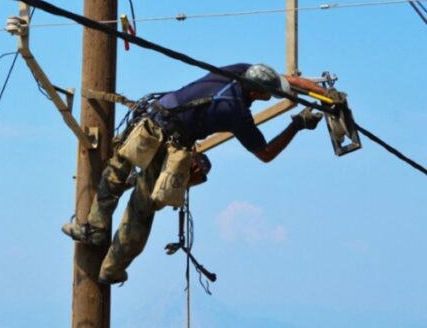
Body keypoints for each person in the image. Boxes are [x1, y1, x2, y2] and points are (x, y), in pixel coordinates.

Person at [62, 63, 328, 285]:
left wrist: (327, 95)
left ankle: (96, 228)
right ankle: (110, 268)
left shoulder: (238, 70)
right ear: (257, 93)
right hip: (170, 142)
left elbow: (289, 80)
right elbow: (266, 153)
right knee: (141, 208)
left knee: (115, 172)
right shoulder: (237, 114)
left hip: (154, 122)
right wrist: (298, 125)